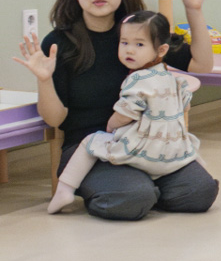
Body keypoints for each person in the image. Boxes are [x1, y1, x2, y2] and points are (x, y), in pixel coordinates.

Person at [12, 0, 219, 221]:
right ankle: (137, 188)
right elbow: (55, 119)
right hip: (91, 150)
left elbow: (201, 64)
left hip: (149, 144)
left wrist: (194, 9)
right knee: (132, 197)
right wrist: (44, 79)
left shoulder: (140, 31)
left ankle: (144, 185)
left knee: (200, 192)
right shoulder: (59, 42)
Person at [46, 11, 205, 216]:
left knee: (90, 143)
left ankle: (65, 189)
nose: (129, 50)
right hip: (170, 146)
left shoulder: (137, 79)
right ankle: (149, 189)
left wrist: (111, 125)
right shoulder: (171, 78)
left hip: (140, 146)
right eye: (124, 43)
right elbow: (185, 105)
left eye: (139, 45)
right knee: (146, 190)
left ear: (161, 50)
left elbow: (125, 113)